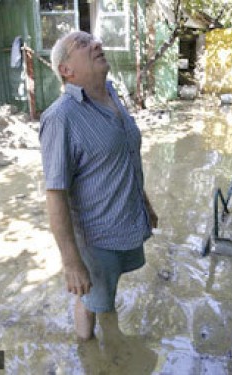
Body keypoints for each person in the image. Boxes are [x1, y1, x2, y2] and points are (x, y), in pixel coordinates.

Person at [39, 30, 158, 341]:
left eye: (93, 40)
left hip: (124, 222)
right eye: (82, 44)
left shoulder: (112, 95)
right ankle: (90, 354)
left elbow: (125, 157)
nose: (97, 44)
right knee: (91, 300)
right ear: (66, 70)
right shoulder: (61, 118)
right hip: (96, 237)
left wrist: (145, 203)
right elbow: (55, 195)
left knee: (105, 296)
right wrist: (71, 262)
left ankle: (104, 349)